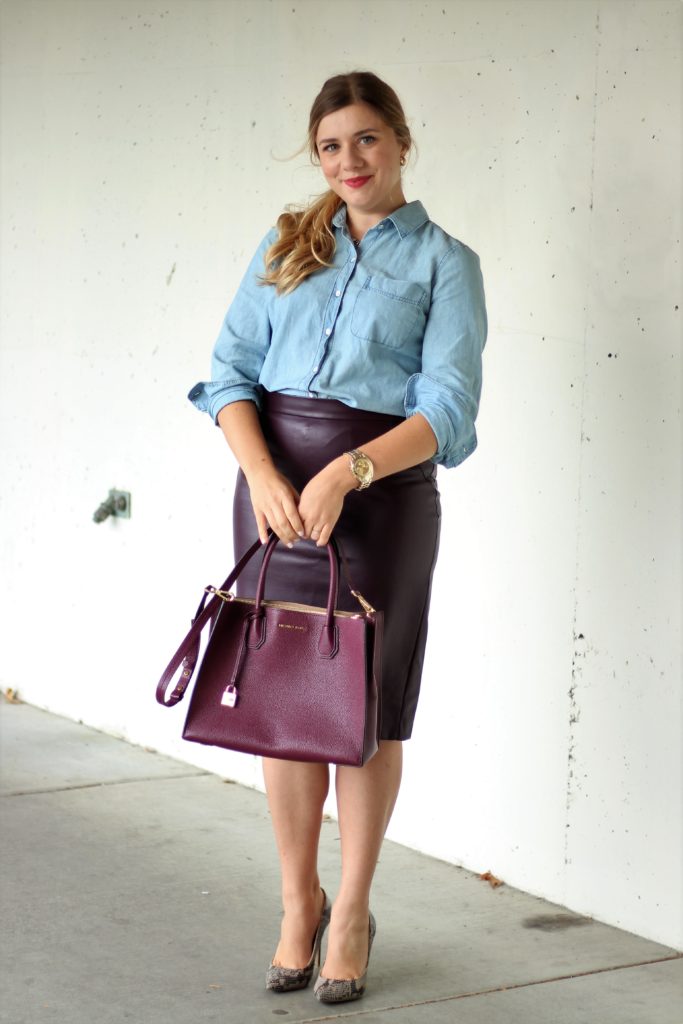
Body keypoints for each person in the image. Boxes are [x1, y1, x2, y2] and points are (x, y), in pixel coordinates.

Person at [188, 70, 487, 1004]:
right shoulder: (287, 243)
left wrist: (347, 471)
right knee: (283, 707)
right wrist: (265, 474)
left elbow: (449, 408)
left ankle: (351, 910)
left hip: (382, 500)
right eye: (329, 145)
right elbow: (229, 370)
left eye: (364, 139)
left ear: (400, 141)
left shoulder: (446, 261)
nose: (347, 160)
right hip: (274, 493)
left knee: (363, 710)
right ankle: (297, 901)